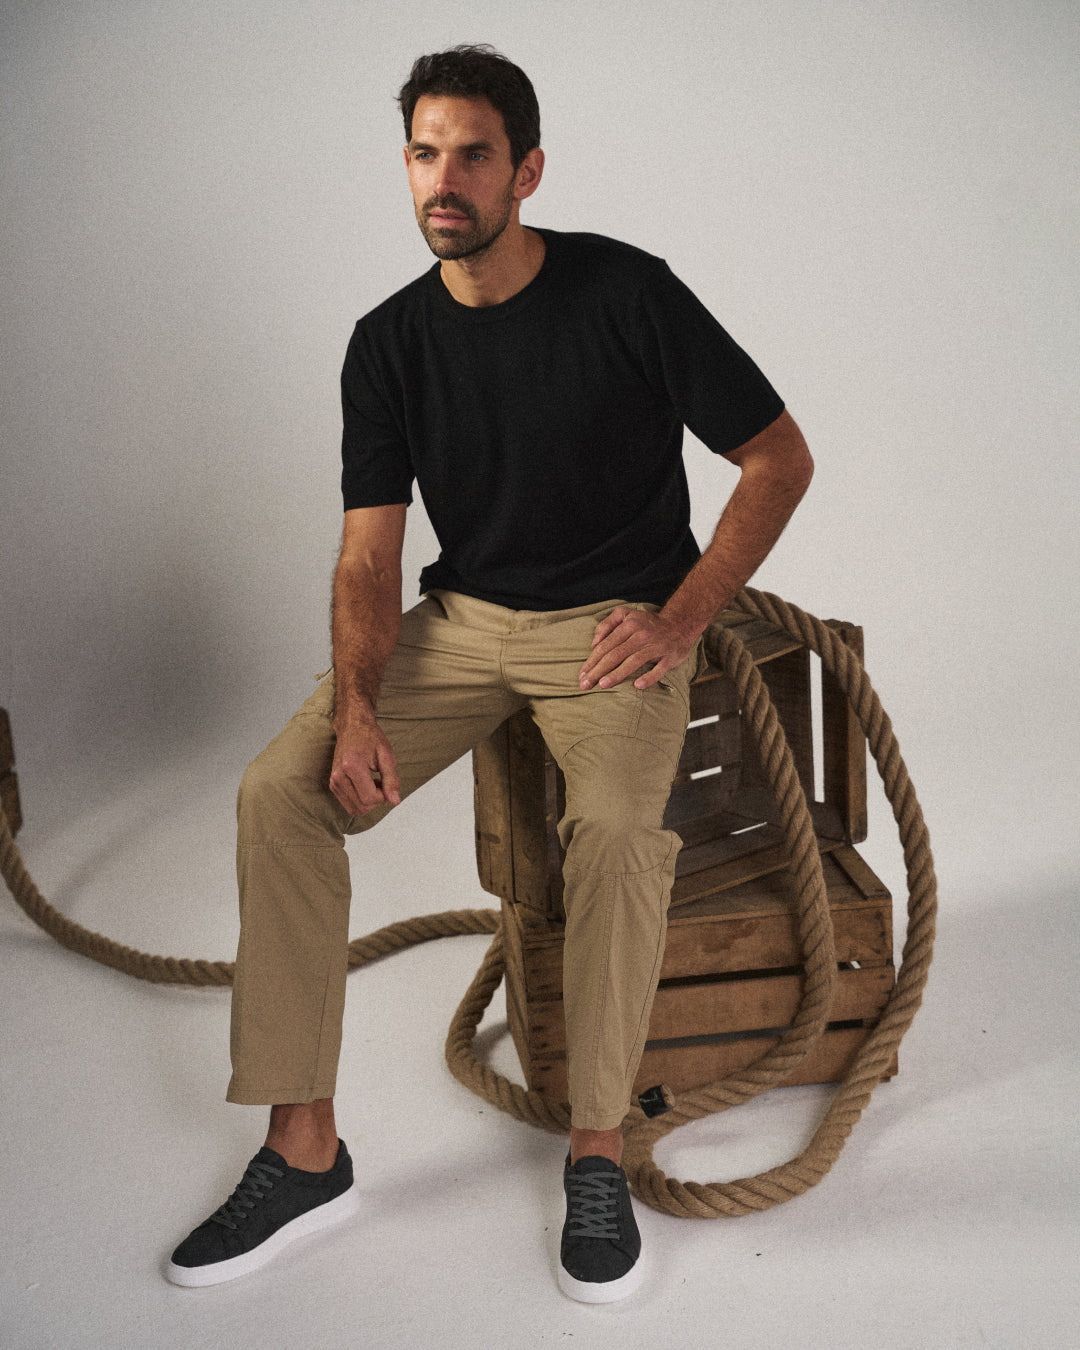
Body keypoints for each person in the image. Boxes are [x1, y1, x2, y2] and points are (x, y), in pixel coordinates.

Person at [166, 44, 813, 1302]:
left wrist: (680, 620)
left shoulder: (628, 293)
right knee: (277, 793)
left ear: (527, 169)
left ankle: (597, 1151)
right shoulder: (387, 343)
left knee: (620, 831)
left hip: (617, 623)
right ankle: (304, 1151)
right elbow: (368, 555)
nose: (443, 179)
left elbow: (777, 458)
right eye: (423, 153)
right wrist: (358, 708)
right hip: (462, 623)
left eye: (471, 153)